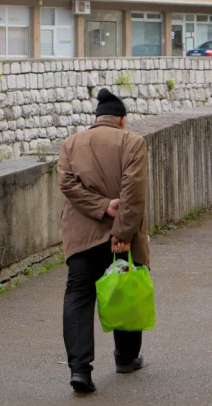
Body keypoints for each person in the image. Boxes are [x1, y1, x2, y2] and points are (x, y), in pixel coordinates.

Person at [58, 88, 150, 394]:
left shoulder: (70, 143)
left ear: (96, 119)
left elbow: (67, 185)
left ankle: (80, 370)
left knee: (79, 298)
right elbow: (133, 191)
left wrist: (99, 207)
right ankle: (125, 358)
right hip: (119, 241)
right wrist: (121, 233)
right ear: (122, 121)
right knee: (124, 292)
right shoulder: (133, 142)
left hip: (82, 236)